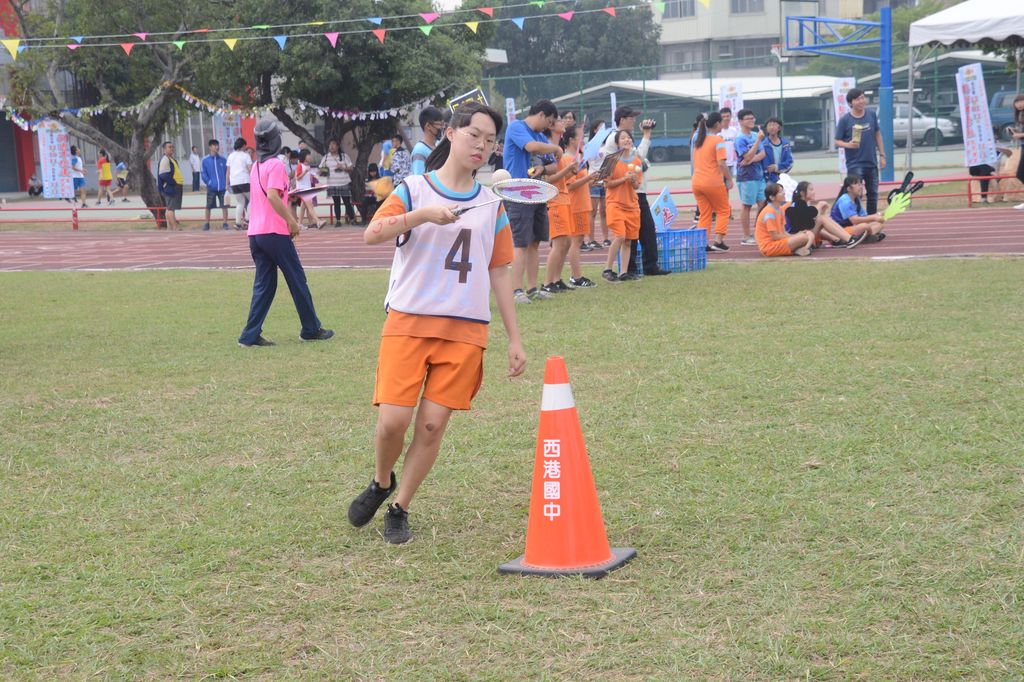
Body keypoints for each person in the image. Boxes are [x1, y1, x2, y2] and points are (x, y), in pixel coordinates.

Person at [347, 101, 525, 544]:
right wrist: (423, 215)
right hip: (408, 320)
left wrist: (514, 339)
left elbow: (500, 271)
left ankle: (400, 507)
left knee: (431, 425)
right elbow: (372, 233)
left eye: (490, 140)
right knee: (393, 421)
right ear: (450, 133)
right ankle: (381, 480)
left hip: (465, 330)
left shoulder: (491, 204)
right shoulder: (414, 189)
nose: (481, 145)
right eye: (474, 134)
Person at [238, 118, 334, 348]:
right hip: (275, 232)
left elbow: (267, 197)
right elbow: (272, 196)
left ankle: (249, 336)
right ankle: (310, 329)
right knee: (296, 279)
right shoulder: (276, 165)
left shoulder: (256, 166)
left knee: (264, 285)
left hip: (256, 234)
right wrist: (291, 222)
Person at [503, 99, 561, 303]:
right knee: (520, 243)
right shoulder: (516, 127)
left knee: (535, 242)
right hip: (518, 194)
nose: (548, 127)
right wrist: (555, 148)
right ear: (541, 115)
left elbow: (553, 167)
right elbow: (531, 147)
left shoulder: (540, 136)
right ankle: (517, 290)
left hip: (538, 194)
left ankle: (532, 289)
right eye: (549, 122)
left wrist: (543, 168)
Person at [602, 106, 671, 277]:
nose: (634, 120)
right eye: (631, 117)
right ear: (622, 119)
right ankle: (628, 269)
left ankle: (647, 266)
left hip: (635, 191)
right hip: (620, 195)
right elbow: (612, 168)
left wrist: (646, 135)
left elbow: (638, 159)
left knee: (644, 230)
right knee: (625, 235)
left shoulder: (627, 140)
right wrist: (634, 169)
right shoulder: (613, 139)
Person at [540, 118, 583, 294]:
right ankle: (547, 283)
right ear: (550, 126)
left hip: (564, 199)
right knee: (558, 244)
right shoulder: (548, 149)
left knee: (566, 243)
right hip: (555, 201)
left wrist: (571, 171)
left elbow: (562, 178)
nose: (562, 123)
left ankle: (556, 280)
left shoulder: (559, 149)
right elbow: (548, 179)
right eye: (558, 121)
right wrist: (567, 169)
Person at [834, 87, 885, 215]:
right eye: (857, 99)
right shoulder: (845, 120)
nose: (861, 101)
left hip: (871, 162)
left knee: (873, 193)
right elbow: (836, 141)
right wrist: (848, 145)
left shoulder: (871, 114)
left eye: (862, 98)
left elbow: (878, 134)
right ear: (850, 103)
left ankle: (872, 220)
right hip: (855, 164)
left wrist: (882, 155)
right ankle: (856, 219)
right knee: (856, 194)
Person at [602, 130, 643, 282]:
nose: (627, 140)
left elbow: (637, 186)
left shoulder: (637, 161)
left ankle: (623, 272)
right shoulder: (610, 160)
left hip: (632, 205)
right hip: (615, 203)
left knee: (628, 241)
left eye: (628, 137)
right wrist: (623, 179)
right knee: (620, 236)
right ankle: (607, 270)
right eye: (623, 138)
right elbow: (606, 184)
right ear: (617, 143)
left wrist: (633, 180)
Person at [691, 112, 733, 251]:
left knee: (705, 213)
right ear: (717, 124)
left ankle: (702, 243)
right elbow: (721, 163)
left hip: (697, 181)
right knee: (724, 210)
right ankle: (718, 241)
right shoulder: (718, 140)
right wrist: (729, 179)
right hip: (712, 181)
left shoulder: (698, 140)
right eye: (721, 122)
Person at [566, 125, 599, 288]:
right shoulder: (568, 159)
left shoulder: (579, 159)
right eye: (580, 137)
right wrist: (588, 179)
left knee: (578, 240)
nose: (583, 140)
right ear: (572, 140)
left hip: (582, 204)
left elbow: (580, 184)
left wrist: (592, 181)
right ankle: (576, 277)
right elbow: (569, 186)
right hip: (575, 205)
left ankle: (577, 276)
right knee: (576, 241)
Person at [785, 181, 864, 248]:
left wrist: (822, 211)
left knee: (822, 219)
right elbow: (804, 225)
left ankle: (839, 240)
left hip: (805, 235)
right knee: (821, 219)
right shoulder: (795, 206)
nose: (814, 192)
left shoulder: (805, 205)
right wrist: (818, 208)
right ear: (802, 193)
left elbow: (814, 224)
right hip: (797, 238)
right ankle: (849, 239)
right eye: (811, 190)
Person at [733, 109, 767, 247]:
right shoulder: (740, 139)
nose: (752, 120)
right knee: (747, 205)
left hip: (759, 174)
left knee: (763, 203)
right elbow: (746, 156)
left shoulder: (754, 134)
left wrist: (751, 160)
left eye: (753, 118)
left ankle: (759, 232)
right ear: (741, 121)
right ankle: (746, 236)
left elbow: (762, 154)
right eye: (748, 118)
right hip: (747, 177)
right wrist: (758, 141)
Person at [755, 182, 814, 257]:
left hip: (778, 242)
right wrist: (795, 236)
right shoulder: (769, 213)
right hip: (769, 247)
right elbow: (774, 237)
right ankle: (798, 250)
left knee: (807, 234)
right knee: (803, 237)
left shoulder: (780, 209)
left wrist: (796, 235)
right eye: (780, 192)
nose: (784, 193)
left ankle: (799, 250)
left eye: (783, 191)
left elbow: (783, 232)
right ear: (772, 197)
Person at [830, 175, 886, 242]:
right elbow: (854, 220)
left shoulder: (856, 199)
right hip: (839, 231)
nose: (861, 187)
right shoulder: (845, 200)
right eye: (858, 185)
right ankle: (865, 237)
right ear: (849, 189)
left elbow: (864, 217)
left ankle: (863, 237)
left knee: (879, 224)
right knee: (864, 226)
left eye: (861, 184)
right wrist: (874, 217)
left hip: (849, 228)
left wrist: (878, 215)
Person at [319, 139, 356, 226]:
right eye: (330, 144)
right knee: (336, 203)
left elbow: (351, 168)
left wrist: (342, 167)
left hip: (344, 183)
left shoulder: (344, 156)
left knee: (347, 202)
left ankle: (352, 219)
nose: (331, 146)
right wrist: (323, 172)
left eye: (334, 144)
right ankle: (338, 221)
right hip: (332, 184)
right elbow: (321, 169)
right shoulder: (326, 157)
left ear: (338, 146)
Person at [587, 119, 609, 250]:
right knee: (593, 212)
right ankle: (591, 240)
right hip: (594, 181)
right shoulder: (590, 145)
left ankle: (606, 239)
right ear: (594, 130)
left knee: (604, 211)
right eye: (600, 128)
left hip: (605, 181)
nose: (603, 131)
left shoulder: (608, 145)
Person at [201, 138, 229, 231]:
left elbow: (227, 172)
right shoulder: (205, 160)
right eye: (214, 145)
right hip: (211, 188)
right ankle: (206, 223)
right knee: (208, 206)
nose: (217, 147)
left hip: (222, 188)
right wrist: (209, 182)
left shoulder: (223, 160)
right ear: (210, 147)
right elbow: (203, 174)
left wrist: (226, 184)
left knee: (224, 206)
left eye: (217, 145)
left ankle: (225, 223)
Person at [293, 149, 325, 229]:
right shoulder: (300, 165)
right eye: (308, 155)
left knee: (303, 207)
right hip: (303, 190)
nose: (310, 157)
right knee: (310, 206)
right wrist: (305, 172)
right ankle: (318, 221)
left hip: (307, 189)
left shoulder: (308, 166)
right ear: (304, 156)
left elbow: (310, 176)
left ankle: (299, 224)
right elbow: (297, 178)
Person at [226, 137, 252, 230]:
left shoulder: (230, 156)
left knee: (240, 202)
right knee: (252, 200)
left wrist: (227, 184)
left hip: (234, 182)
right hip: (244, 180)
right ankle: (247, 220)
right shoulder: (246, 156)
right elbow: (250, 169)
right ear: (243, 146)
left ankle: (237, 223)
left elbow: (228, 171)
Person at [157, 142, 183, 230]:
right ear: (164, 149)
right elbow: (163, 175)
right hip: (170, 187)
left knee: (169, 208)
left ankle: (169, 227)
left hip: (174, 186)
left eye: (172, 147)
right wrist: (173, 183)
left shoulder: (171, 159)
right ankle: (174, 226)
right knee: (171, 208)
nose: (172, 148)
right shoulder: (165, 160)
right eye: (169, 147)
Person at [411, 106, 444, 176]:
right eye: (439, 124)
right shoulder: (419, 150)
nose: (441, 128)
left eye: (442, 124)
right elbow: (419, 178)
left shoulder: (439, 145)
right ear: (428, 126)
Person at [762, 117, 794, 184]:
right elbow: (765, 166)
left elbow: (790, 162)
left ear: (779, 128)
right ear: (766, 128)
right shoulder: (763, 145)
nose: (771, 127)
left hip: (783, 179)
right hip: (767, 179)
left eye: (774, 125)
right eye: (769, 125)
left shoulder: (786, 144)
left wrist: (777, 167)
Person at [1011, 94, 1024, 209]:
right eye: (1017, 102)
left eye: (1021, 101)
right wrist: (1014, 131)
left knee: (1020, 173)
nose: (1019, 104)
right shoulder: (1020, 115)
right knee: (1020, 173)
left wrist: (1020, 135)